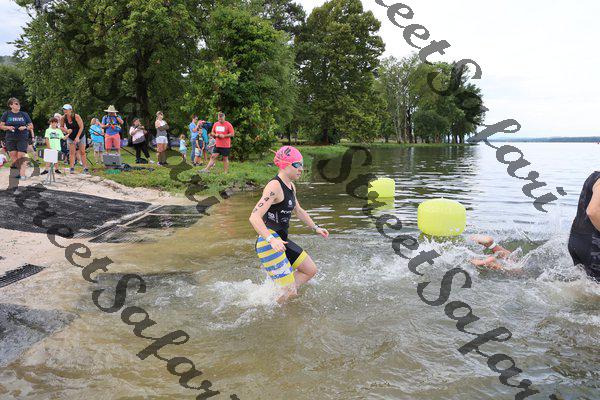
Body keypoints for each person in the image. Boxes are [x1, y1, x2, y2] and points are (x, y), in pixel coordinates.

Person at [249, 146, 329, 303]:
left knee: (310, 270)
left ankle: (277, 296)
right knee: (290, 292)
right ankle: (273, 304)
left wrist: (316, 227)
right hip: (269, 243)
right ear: (285, 165)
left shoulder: (291, 186)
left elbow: (298, 210)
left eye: (302, 165)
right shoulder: (274, 186)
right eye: (297, 165)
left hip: (282, 241)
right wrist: (271, 240)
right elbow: (254, 217)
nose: (301, 169)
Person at [567, 172, 600, 282]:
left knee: (585, 283)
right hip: (594, 246)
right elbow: (593, 211)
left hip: (577, 240)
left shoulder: (595, 176)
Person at [0, 98, 34, 180]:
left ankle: (22, 175)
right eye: (16, 103)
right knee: (13, 156)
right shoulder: (6, 114)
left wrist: (25, 127)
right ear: (10, 105)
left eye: (18, 103)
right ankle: (18, 173)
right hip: (10, 138)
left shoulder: (24, 114)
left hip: (22, 137)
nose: (18, 105)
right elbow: (1, 126)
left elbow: (31, 126)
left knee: (21, 156)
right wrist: (8, 127)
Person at [60, 104, 89, 174]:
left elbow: (81, 127)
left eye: (66, 109)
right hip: (71, 136)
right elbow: (61, 127)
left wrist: (78, 137)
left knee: (82, 152)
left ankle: (85, 168)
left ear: (70, 110)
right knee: (72, 153)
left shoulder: (76, 116)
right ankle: (72, 168)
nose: (65, 111)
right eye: (64, 109)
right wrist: (66, 130)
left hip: (80, 135)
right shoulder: (63, 118)